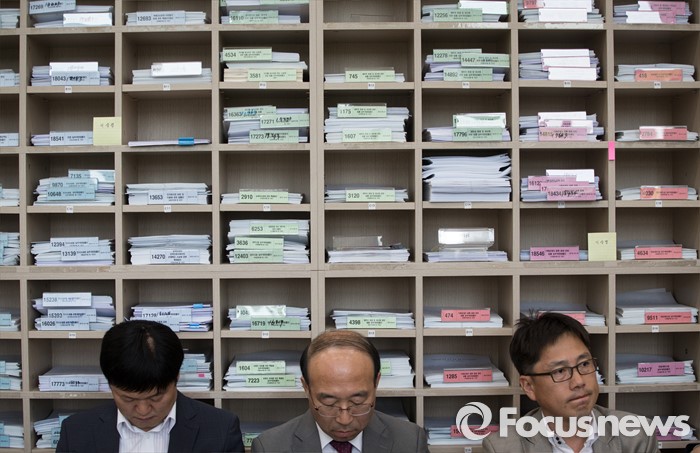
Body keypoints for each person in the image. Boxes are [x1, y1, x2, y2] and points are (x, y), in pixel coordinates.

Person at [56, 320, 244, 452]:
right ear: (110, 384)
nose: (143, 411)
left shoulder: (221, 430)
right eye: (128, 399)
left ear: (176, 377)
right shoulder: (75, 432)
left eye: (156, 397)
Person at [483, 312, 659, 453]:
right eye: (560, 371)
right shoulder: (502, 447)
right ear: (529, 386)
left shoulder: (638, 436)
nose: (579, 381)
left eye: (584, 364)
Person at [252, 329, 429, 452]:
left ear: (376, 382)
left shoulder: (410, 442)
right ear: (306, 387)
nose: (344, 420)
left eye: (357, 402)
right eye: (329, 403)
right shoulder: (270, 447)